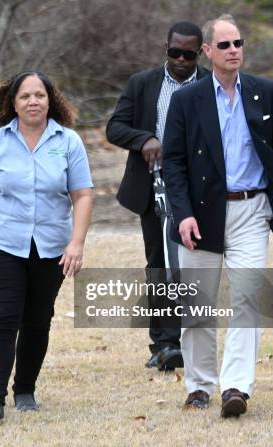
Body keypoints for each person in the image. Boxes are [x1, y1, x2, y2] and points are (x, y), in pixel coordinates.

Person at [162, 15, 273, 417]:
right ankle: (198, 387)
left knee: (247, 298)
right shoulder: (187, 99)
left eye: (239, 43)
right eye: (226, 45)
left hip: (251, 209)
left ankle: (236, 387)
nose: (235, 51)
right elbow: (174, 164)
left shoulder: (264, 92)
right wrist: (181, 215)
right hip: (200, 214)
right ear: (208, 52)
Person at [0, 71, 93, 423]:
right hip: (3, 242)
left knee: (37, 320)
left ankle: (25, 389)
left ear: (51, 100)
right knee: (1, 318)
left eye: (40, 95)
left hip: (51, 246)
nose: (33, 102)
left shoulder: (69, 141)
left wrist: (77, 242)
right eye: (25, 96)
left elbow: (82, 194)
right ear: (12, 103)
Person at [106, 22, 209, 371]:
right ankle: (164, 345)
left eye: (189, 54)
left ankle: (185, 340)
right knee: (159, 264)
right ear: (165, 47)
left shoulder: (210, 85)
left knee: (190, 265)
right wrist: (144, 139)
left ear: (201, 51)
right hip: (153, 189)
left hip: (198, 190)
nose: (181, 60)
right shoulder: (142, 83)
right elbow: (115, 127)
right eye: (174, 52)